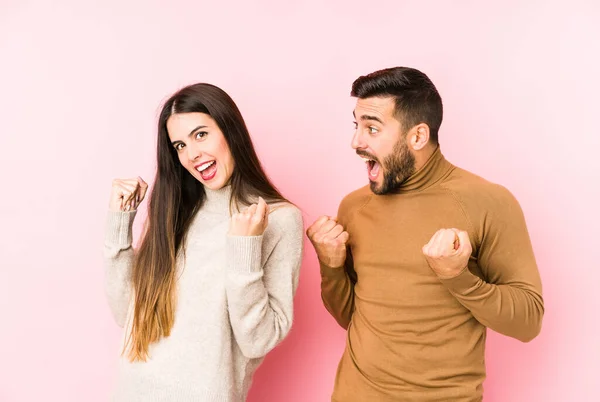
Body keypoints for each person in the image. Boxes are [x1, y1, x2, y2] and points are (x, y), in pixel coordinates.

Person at [306, 67, 544, 401]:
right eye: (356, 126)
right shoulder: (353, 207)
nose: (356, 142)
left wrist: (459, 277)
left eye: (372, 128)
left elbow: (528, 322)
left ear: (417, 136)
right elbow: (353, 318)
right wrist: (331, 265)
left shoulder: (489, 202)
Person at [104, 83, 304, 401]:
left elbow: (258, 341)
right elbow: (128, 316)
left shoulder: (278, 219)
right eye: (180, 145)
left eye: (201, 135)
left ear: (230, 130)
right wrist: (119, 228)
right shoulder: (176, 212)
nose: (192, 154)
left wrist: (244, 251)